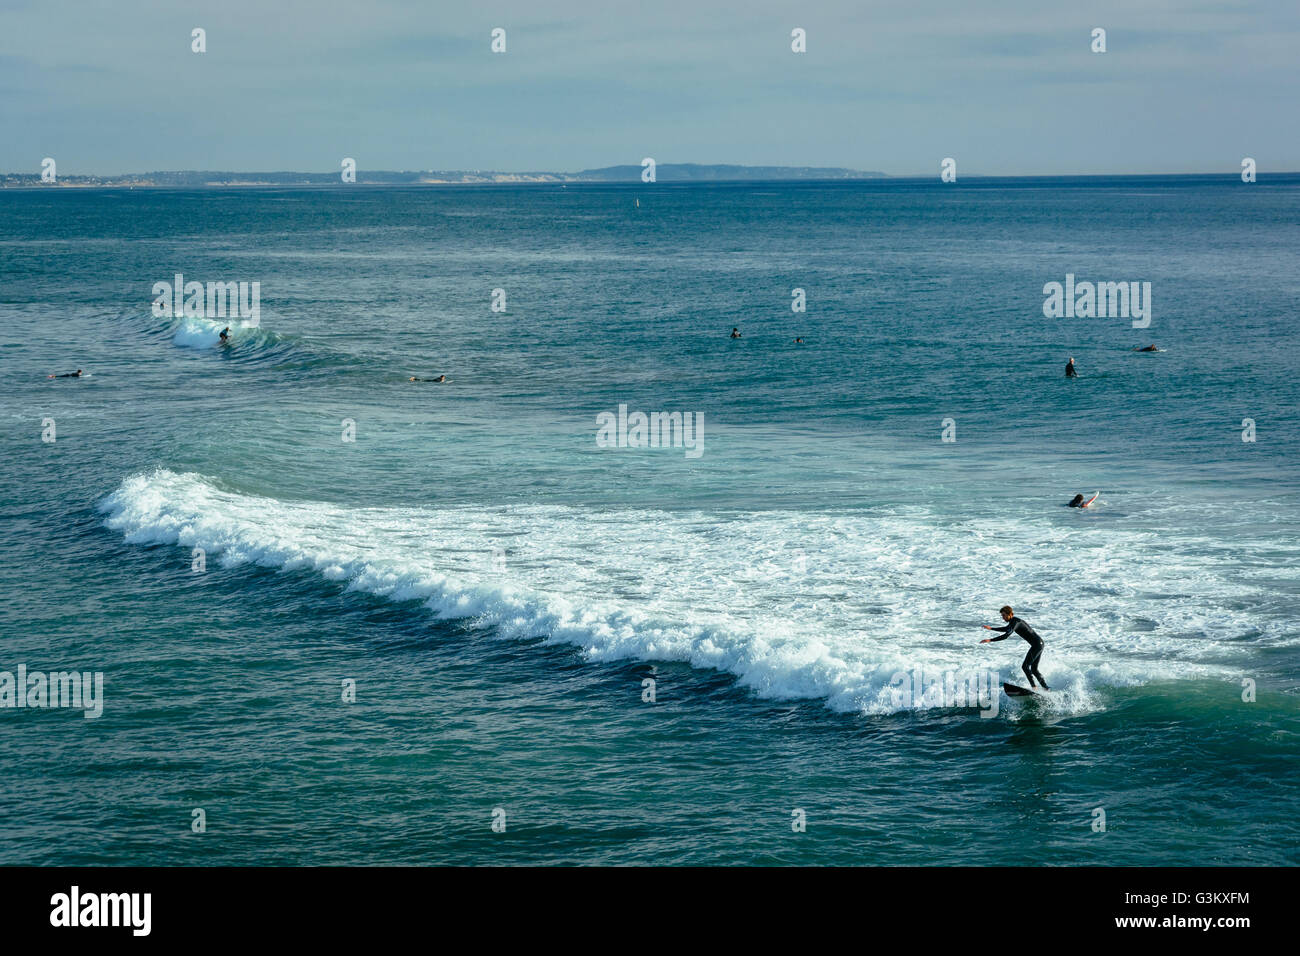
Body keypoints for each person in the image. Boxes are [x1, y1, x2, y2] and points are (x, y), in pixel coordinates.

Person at [980, 605, 1050, 690]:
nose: (1003, 618)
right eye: (1002, 615)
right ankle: (1046, 688)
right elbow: (1006, 628)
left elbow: (1006, 635)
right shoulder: (1013, 622)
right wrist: (991, 628)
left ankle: (1034, 687)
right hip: (1039, 644)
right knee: (1034, 669)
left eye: (1004, 615)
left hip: (1037, 645)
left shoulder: (1016, 622)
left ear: (1010, 614)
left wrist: (990, 640)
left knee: (1025, 667)